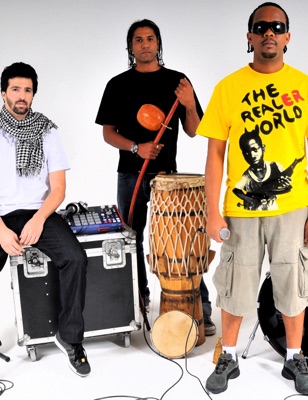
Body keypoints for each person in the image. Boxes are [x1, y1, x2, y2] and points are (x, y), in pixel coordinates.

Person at [196, 2, 308, 395]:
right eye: (261, 27)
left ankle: (294, 357)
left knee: (293, 282)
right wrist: (212, 211)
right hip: (240, 211)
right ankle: (228, 356)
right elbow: (215, 154)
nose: (269, 32)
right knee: (235, 282)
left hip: (293, 209)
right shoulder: (228, 88)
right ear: (250, 36)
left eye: (277, 26)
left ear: (287, 36)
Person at [95, 19, 216, 335]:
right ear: (130, 46)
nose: (145, 44)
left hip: (167, 179)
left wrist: (189, 104)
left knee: (182, 241)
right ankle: (139, 298)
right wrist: (137, 148)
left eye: (150, 38)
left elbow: (194, 130)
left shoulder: (178, 81)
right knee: (131, 238)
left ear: (158, 43)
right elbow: (108, 133)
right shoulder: (117, 84)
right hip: (129, 175)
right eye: (138, 39)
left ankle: (199, 305)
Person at [0, 62, 90, 377]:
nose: (21, 96)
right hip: (0, 215)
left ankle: (70, 336)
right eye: (15, 89)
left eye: (27, 90)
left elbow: (58, 188)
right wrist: (1, 230)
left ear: (33, 95)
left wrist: (39, 220)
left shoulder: (47, 130)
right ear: (3, 93)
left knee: (75, 258)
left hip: (39, 211)